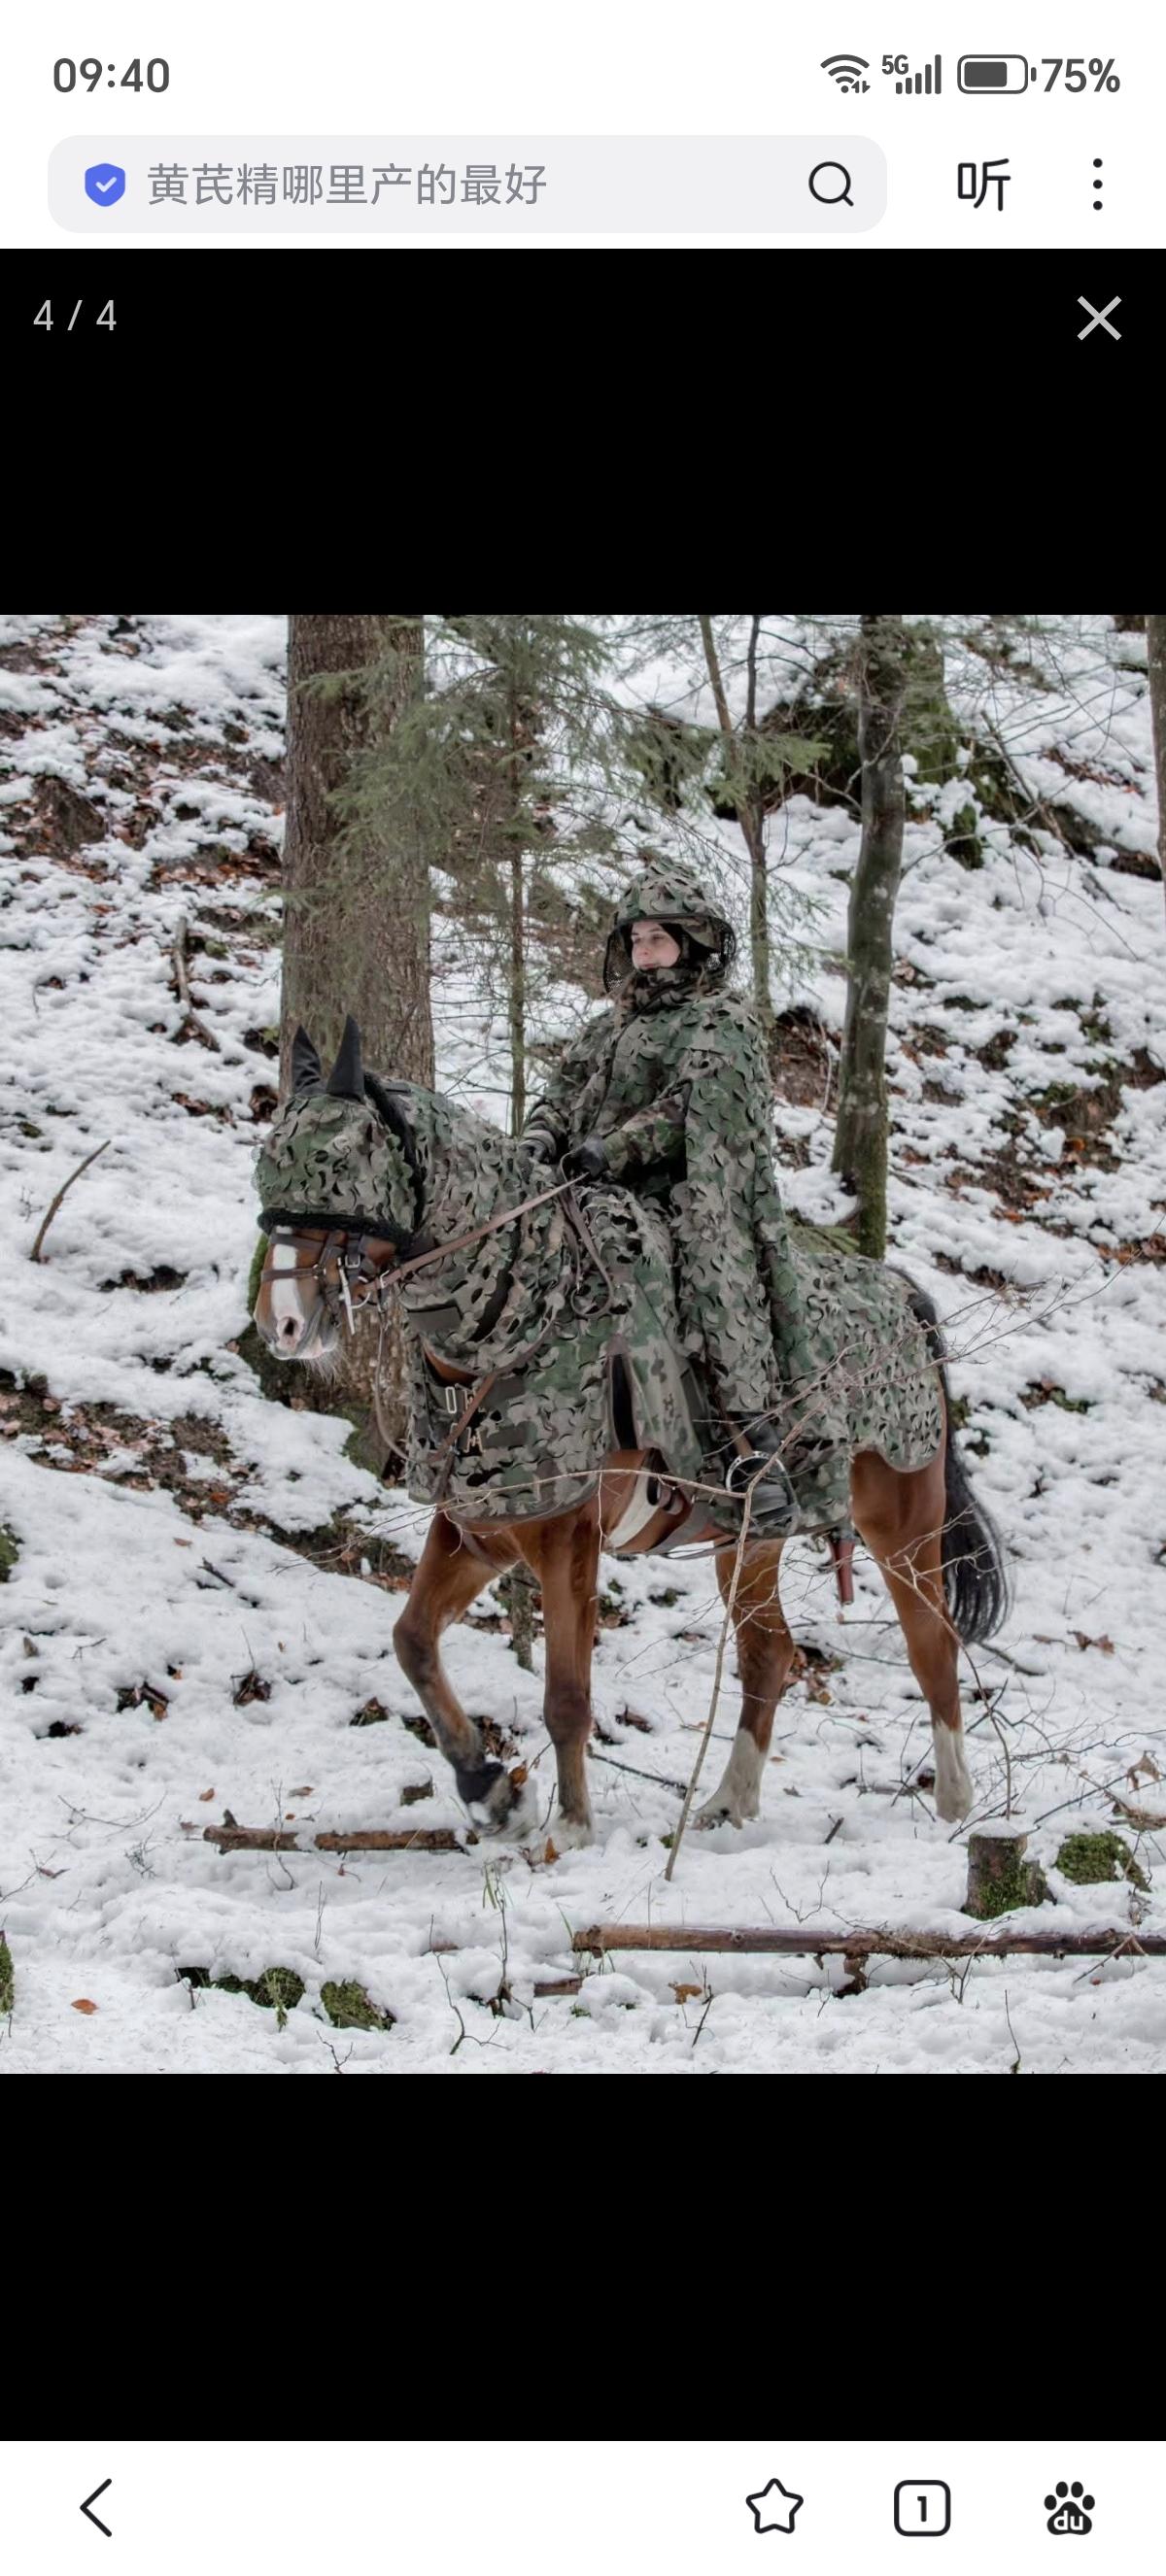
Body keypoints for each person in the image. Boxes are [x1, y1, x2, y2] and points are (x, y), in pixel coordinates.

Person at [520, 850, 846, 1532]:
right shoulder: (608, 1026)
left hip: (684, 1199)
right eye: (636, 940)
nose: (644, 953)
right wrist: (540, 1139)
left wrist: (613, 1150)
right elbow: (562, 1092)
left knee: (710, 1289)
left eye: (657, 939)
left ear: (691, 943)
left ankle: (750, 1452)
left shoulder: (720, 1022)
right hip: (582, 1184)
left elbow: (689, 1113)